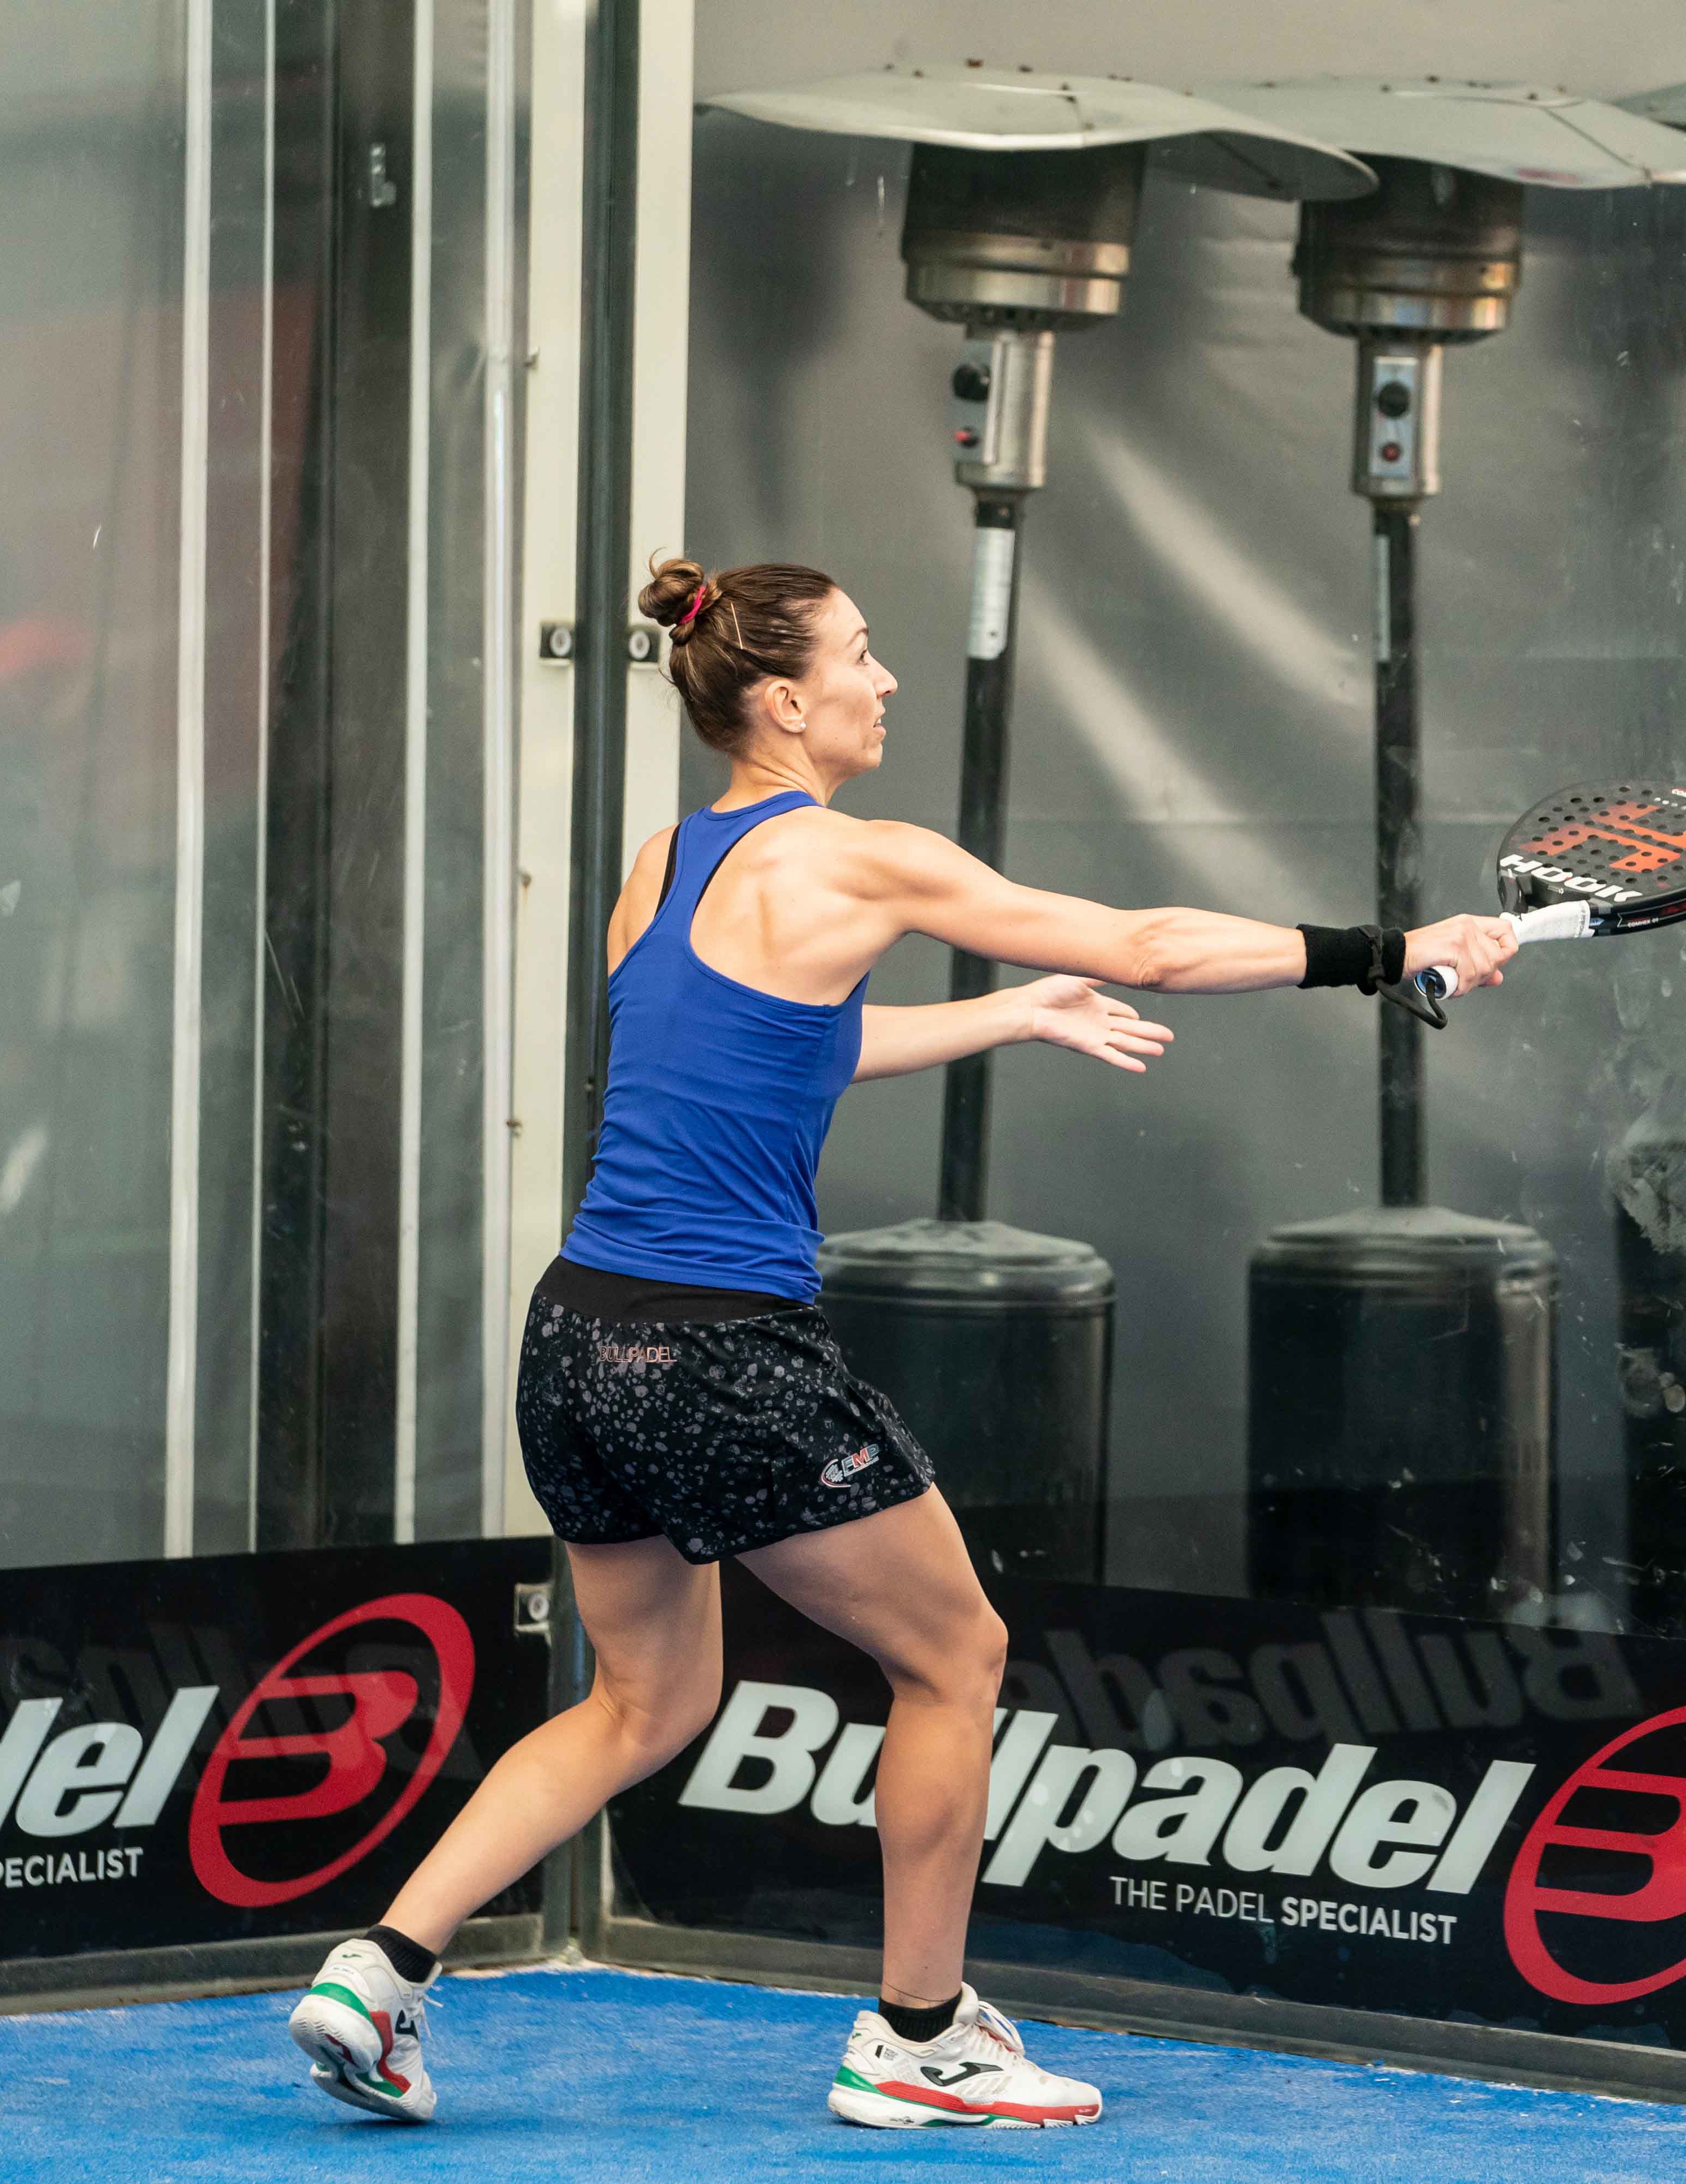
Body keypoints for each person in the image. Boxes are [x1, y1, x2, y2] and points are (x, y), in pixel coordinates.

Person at [288, 555, 1516, 2129]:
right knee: (957, 1657)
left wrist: (1005, 1014)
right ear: (785, 700)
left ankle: (379, 1971)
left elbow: (768, 1048)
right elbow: (1148, 942)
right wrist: (1395, 949)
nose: (885, 681)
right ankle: (921, 2036)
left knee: (644, 1703)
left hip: (581, 1341)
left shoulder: (665, 863)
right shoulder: (862, 858)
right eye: (861, 656)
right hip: (723, 1355)